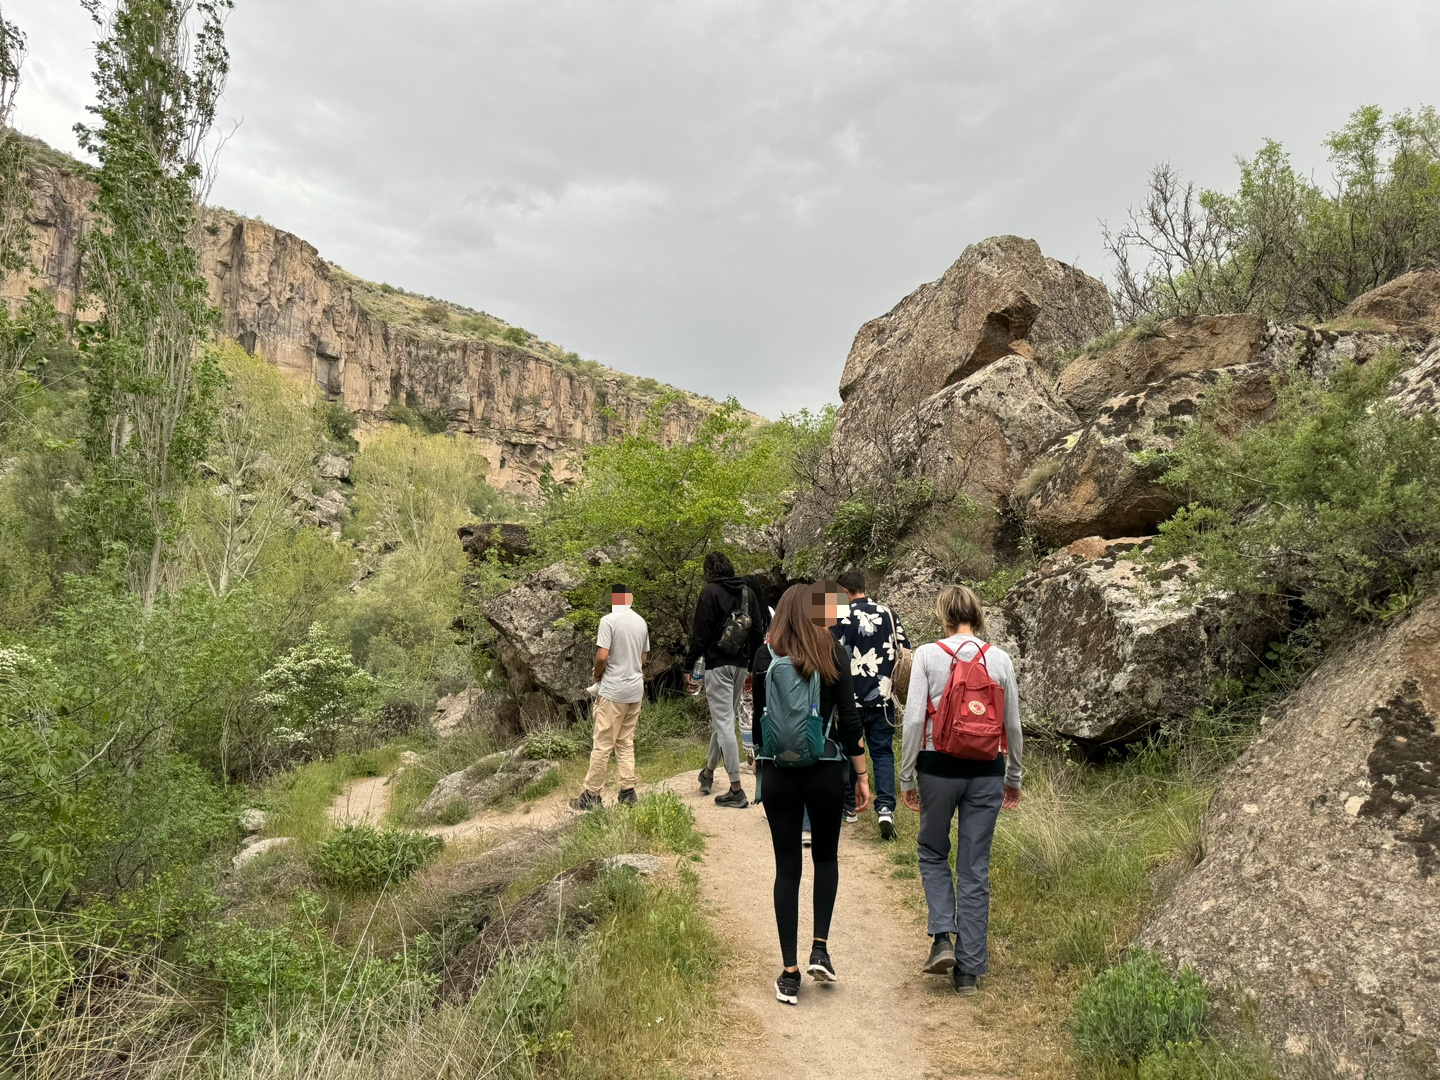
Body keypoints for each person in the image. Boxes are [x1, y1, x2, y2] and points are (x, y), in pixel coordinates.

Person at [899, 584, 1022, 996]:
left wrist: (905, 776)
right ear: (977, 613)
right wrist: (1014, 777)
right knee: (974, 866)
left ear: (944, 615)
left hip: (937, 769)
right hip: (987, 770)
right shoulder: (1000, 658)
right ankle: (968, 972)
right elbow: (1013, 727)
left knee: (932, 852)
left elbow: (915, 720)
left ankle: (942, 939)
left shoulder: (928, 656)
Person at [752, 583, 870, 1006]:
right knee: (826, 857)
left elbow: (759, 720)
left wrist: (760, 761)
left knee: (787, 869)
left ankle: (788, 973)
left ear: (782, 613)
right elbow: (851, 719)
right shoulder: (832, 651)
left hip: (779, 775)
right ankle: (820, 947)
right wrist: (860, 774)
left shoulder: (765, 655)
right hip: (824, 770)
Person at [832, 568, 910, 838]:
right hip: (883, 697)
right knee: (882, 753)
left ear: (843, 591)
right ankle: (886, 808)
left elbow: (831, 651)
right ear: (863, 587)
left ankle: (850, 807)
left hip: (849, 699)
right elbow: (905, 649)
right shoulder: (890, 614)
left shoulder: (840, 615)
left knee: (848, 750)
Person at [683, 552, 765, 808]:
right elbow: (757, 631)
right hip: (741, 666)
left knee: (725, 724)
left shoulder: (710, 592)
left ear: (709, 569)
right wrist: (752, 666)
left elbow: (700, 633)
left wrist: (689, 667)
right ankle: (708, 773)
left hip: (717, 665)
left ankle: (736, 789)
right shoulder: (746, 593)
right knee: (724, 720)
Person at [570, 585, 649, 811]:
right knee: (625, 741)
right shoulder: (641, 622)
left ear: (612, 600)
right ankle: (628, 791)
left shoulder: (608, 621)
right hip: (635, 689)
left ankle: (592, 795)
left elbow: (602, 655)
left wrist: (597, 673)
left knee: (603, 744)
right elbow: (643, 658)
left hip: (613, 690)